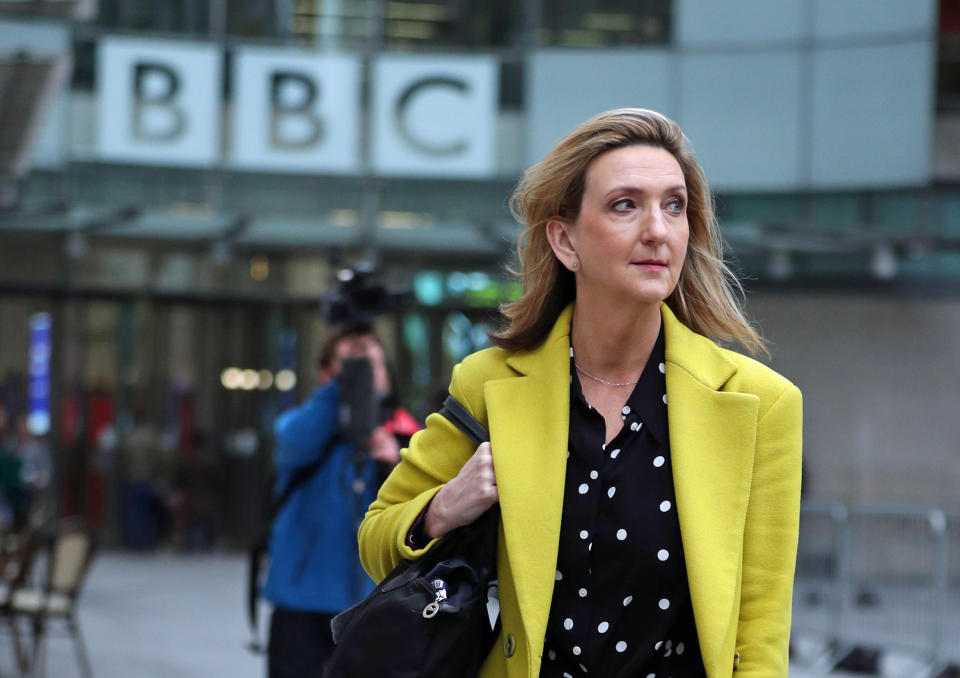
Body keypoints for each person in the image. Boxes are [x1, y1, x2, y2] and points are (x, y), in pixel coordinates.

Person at [358, 109, 802, 678]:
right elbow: (377, 540)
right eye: (625, 205)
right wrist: (446, 506)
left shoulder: (761, 405)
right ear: (565, 240)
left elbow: (760, 632)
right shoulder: (491, 384)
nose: (657, 230)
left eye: (674, 205)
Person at [263, 322, 420, 678]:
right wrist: (343, 391)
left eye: (372, 363)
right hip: (301, 602)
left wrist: (395, 464)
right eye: (350, 362)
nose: (363, 371)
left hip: (372, 608)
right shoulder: (304, 428)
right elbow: (292, 443)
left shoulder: (410, 438)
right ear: (325, 374)